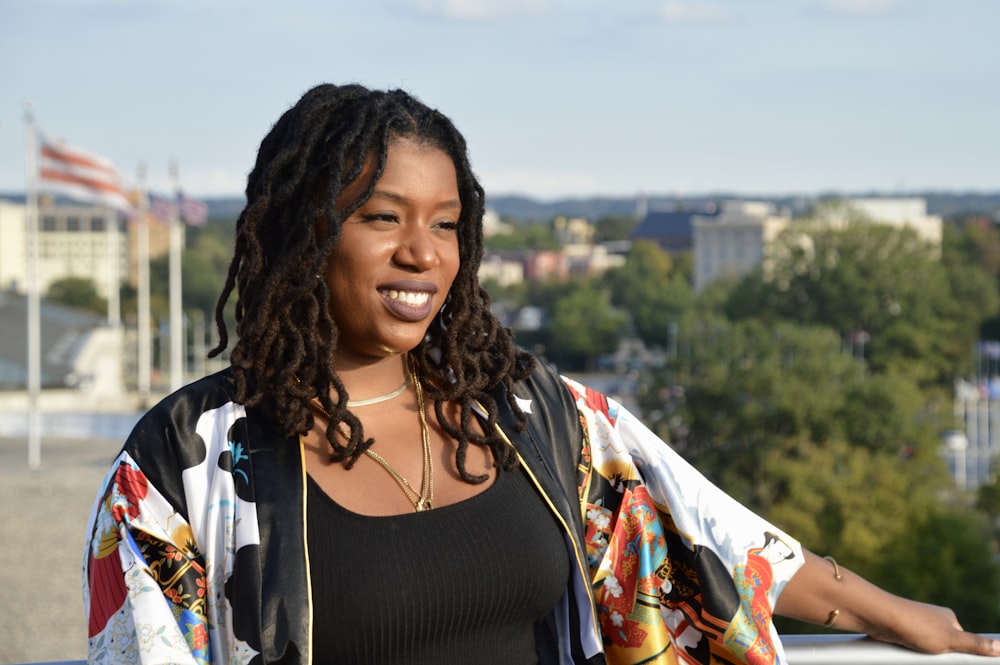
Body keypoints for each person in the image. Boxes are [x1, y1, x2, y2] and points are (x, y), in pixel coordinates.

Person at [82, 82, 999, 665]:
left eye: (445, 224)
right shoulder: (185, 461)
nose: (421, 255)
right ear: (303, 232)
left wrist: (895, 614)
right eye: (382, 218)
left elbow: (703, 535)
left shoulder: (530, 413)